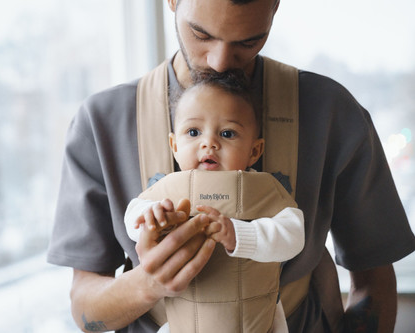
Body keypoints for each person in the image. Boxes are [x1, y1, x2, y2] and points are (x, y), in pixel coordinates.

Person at [47, 0, 415, 332]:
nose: (220, 61)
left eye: (248, 41)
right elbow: (85, 304)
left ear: (275, 6)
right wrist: (148, 284)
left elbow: (374, 279)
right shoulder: (101, 124)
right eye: (200, 34)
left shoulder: (331, 112)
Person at [124, 77, 305, 333]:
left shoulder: (264, 189)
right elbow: (132, 216)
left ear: (255, 151)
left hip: (256, 320)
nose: (209, 143)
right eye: (194, 132)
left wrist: (239, 234)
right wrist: (150, 218)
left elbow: (294, 236)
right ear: (174, 146)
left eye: (227, 133)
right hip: (183, 321)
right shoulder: (167, 189)